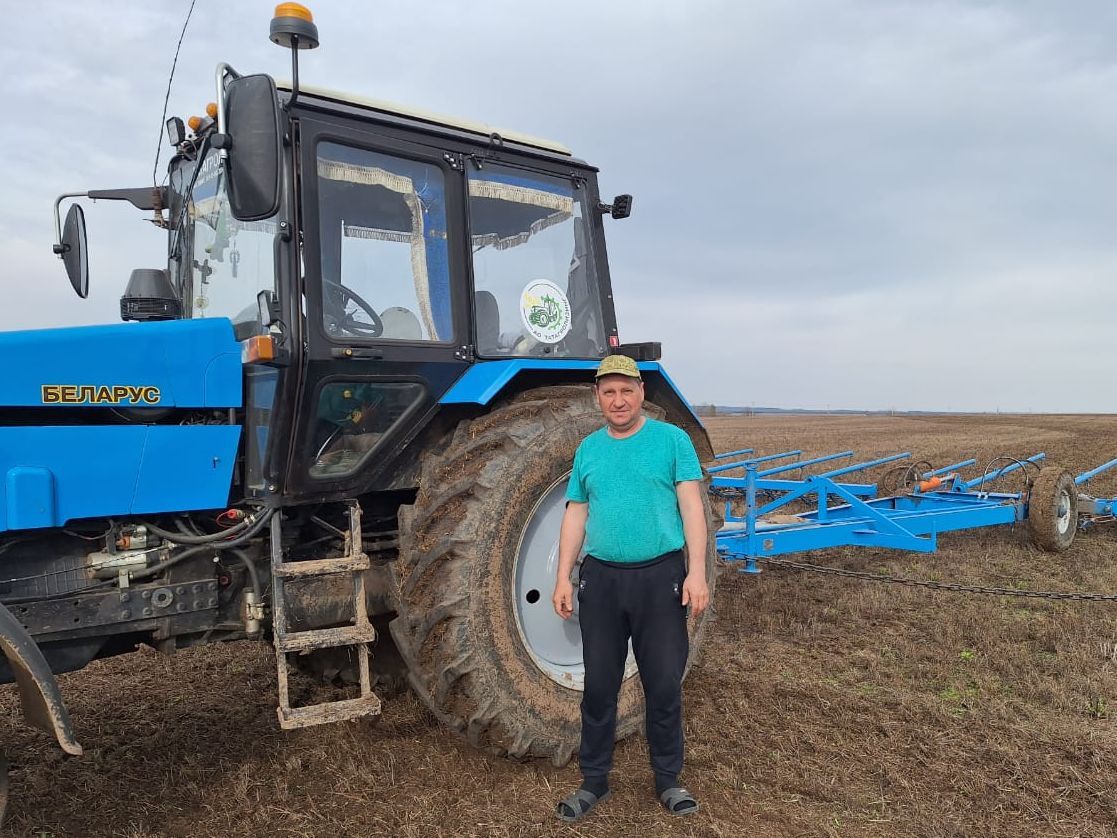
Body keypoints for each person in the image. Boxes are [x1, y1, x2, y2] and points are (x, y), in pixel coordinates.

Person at [552, 354, 710, 822]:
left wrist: (696, 571)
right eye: (608, 392)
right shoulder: (589, 450)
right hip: (601, 580)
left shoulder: (671, 441)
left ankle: (668, 780)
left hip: (659, 577)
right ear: (598, 398)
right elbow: (576, 513)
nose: (618, 401)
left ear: (641, 392)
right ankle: (594, 781)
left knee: (662, 685)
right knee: (599, 686)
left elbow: (692, 510)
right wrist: (563, 574)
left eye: (626, 391)